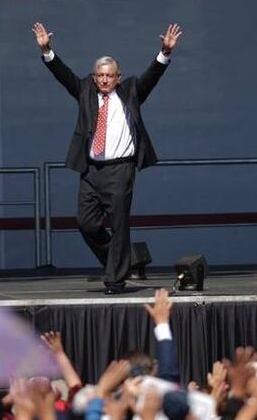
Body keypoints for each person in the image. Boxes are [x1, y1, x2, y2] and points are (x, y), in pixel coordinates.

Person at [32, 21, 182, 294]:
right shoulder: (85, 92)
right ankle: (121, 260)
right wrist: (47, 51)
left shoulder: (131, 92)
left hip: (120, 170)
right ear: (93, 77)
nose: (104, 80)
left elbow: (152, 77)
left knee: (119, 225)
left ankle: (115, 278)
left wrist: (164, 53)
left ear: (118, 77)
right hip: (91, 171)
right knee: (86, 223)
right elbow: (62, 74)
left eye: (109, 75)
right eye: (99, 75)